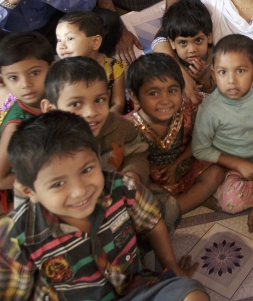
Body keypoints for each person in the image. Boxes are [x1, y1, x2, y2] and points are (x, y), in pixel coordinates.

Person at [0, 111, 209, 301]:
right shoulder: (17, 233)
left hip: (134, 294)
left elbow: (153, 222)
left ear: (97, 157)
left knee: (192, 298)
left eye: (87, 170)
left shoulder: (121, 187)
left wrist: (172, 267)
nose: (80, 190)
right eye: (58, 183)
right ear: (29, 191)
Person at [41, 57, 183, 234]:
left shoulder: (118, 125)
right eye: (75, 104)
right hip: (78, 214)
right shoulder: (44, 148)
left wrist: (133, 173)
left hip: (123, 195)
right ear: (50, 109)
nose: (91, 112)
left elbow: (137, 152)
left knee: (168, 208)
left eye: (99, 100)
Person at [191, 35, 253, 227]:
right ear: (213, 75)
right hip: (228, 168)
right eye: (222, 72)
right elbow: (200, 149)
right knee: (232, 200)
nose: (231, 80)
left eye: (240, 71)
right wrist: (238, 164)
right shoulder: (211, 109)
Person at [126, 53, 225, 214]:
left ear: (182, 90)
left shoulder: (189, 111)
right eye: (153, 93)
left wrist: (177, 163)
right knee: (135, 188)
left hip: (184, 167)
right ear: (134, 96)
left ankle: (171, 211)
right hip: (152, 181)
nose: (165, 100)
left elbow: (201, 140)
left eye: (172, 90)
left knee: (215, 174)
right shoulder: (127, 127)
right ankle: (184, 203)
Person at [0, 32, 55, 196]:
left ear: (52, 68)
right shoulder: (16, 126)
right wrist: (53, 176)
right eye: (13, 78)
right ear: (2, 79)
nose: (26, 84)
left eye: (34, 73)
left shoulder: (57, 98)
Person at [56, 11, 127, 114]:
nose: (62, 45)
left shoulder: (114, 68)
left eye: (69, 38)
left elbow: (118, 103)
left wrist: (106, 122)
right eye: (59, 39)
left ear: (95, 42)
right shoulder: (60, 72)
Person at [161, 0, 215, 94]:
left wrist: (202, 79)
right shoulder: (170, 62)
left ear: (209, 36)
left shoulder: (217, 58)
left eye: (198, 40)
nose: (192, 49)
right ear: (172, 43)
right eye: (183, 43)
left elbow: (220, 91)